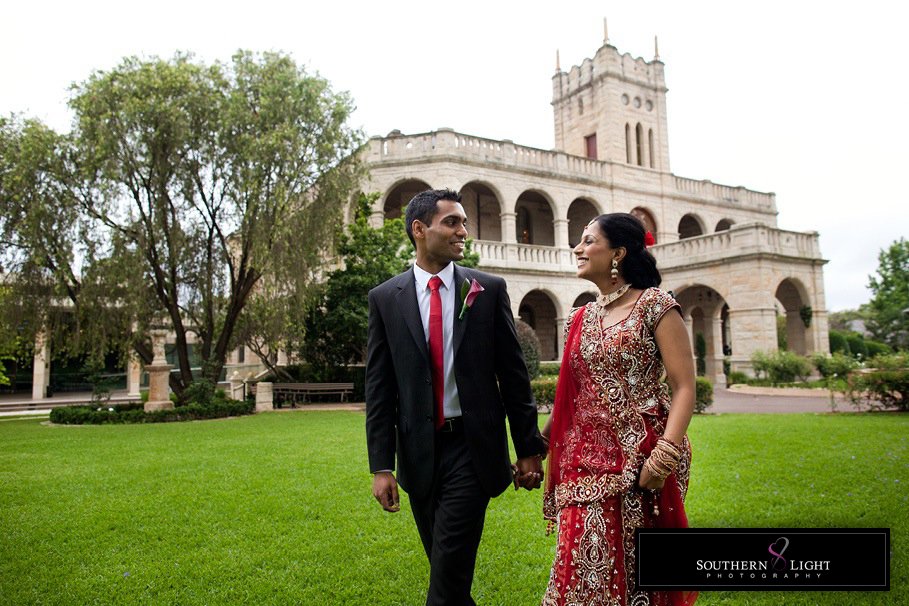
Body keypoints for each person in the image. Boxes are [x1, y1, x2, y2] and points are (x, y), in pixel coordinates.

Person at [366, 188, 547, 605]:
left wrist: (528, 448)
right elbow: (379, 389)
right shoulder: (384, 299)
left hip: (473, 449)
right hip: (418, 455)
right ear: (419, 229)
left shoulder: (487, 290)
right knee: (449, 572)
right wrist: (381, 466)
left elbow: (514, 377)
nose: (463, 230)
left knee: (448, 567)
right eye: (452, 222)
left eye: (464, 222)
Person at [541, 213, 697, 606]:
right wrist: (535, 446)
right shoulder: (580, 317)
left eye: (588, 240)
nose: (578, 248)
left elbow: (684, 386)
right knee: (576, 565)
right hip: (582, 462)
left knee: (635, 571)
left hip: (640, 461)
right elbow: (571, 398)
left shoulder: (655, 306)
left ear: (618, 253)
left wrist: (664, 456)